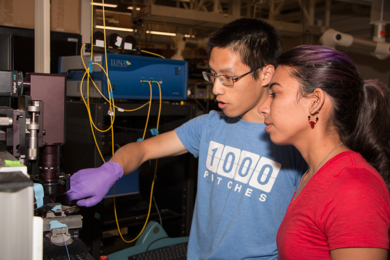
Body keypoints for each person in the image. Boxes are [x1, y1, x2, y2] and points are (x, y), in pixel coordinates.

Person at [66, 18, 307, 259]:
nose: (216, 89)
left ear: (266, 74)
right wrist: (111, 170)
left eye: (228, 77)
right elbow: (143, 150)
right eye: (212, 75)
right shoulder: (209, 126)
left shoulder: (295, 142)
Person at [259, 45, 390, 260]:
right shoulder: (313, 174)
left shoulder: (353, 187)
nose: (263, 107)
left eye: (274, 93)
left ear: (315, 102)